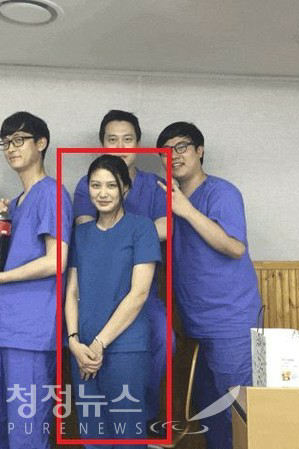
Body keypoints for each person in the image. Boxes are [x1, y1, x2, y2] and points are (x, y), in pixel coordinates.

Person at [157, 122, 262, 449]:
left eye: (182, 147)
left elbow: (235, 247)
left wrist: (186, 211)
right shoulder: (168, 199)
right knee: (208, 408)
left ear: (199, 151)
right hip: (194, 325)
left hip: (231, 320)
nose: (174, 155)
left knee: (237, 409)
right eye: (166, 151)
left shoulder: (221, 192)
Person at [0, 111, 73, 449]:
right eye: (6, 142)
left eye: (19, 140)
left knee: (25, 431)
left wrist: (2, 278)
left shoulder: (51, 193)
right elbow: (1, 255)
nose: (11, 148)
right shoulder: (15, 204)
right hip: (1, 327)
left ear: (41, 143)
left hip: (31, 332)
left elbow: (57, 260)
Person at [72, 110, 171, 428]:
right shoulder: (85, 186)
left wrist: (132, 234)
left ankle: (145, 408)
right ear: (102, 144)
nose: (120, 146)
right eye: (112, 139)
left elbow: (165, 227)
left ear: (138, 144)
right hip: (95, 295)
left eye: (127, 139)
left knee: (164, 341)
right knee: (93, 417)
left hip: (139, 292)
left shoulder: (153, 186)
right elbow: (87, 232)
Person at [66, 155, 161, 448]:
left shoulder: (142, 228)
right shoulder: (80, 234)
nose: (103, 193)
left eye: (111, 185)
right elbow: (72, 291)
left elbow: (139, 294)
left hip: (125, 348)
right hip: (83, 350)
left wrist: (99, 343)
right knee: (92, 436)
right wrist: (74, 341)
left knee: (127, 435)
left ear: (125, 189)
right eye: (96, 185)